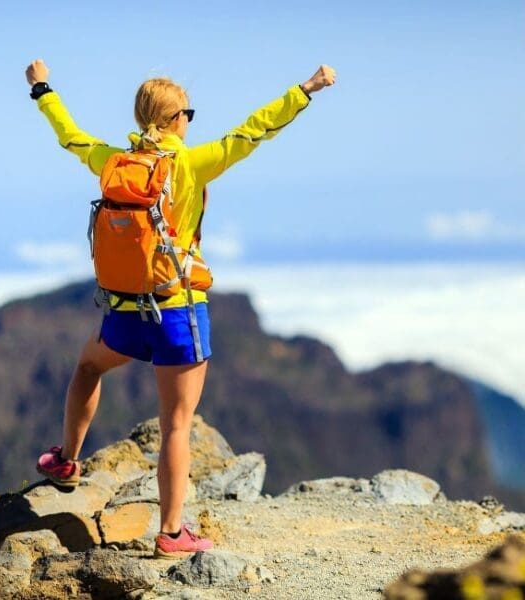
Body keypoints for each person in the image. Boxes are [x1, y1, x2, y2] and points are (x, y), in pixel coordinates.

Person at [24, 58, 336, 558]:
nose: (190, 120)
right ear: (174, 120)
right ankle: (171, 533)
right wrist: (307, 88)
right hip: (176, 313)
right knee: (175, 425)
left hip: (124, 313)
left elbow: (69, 135)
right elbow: (253, 131)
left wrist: (43, 89)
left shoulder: (112, 162)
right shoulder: (190, 163)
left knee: (87, 366)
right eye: (187, 112)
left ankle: (65, 460)